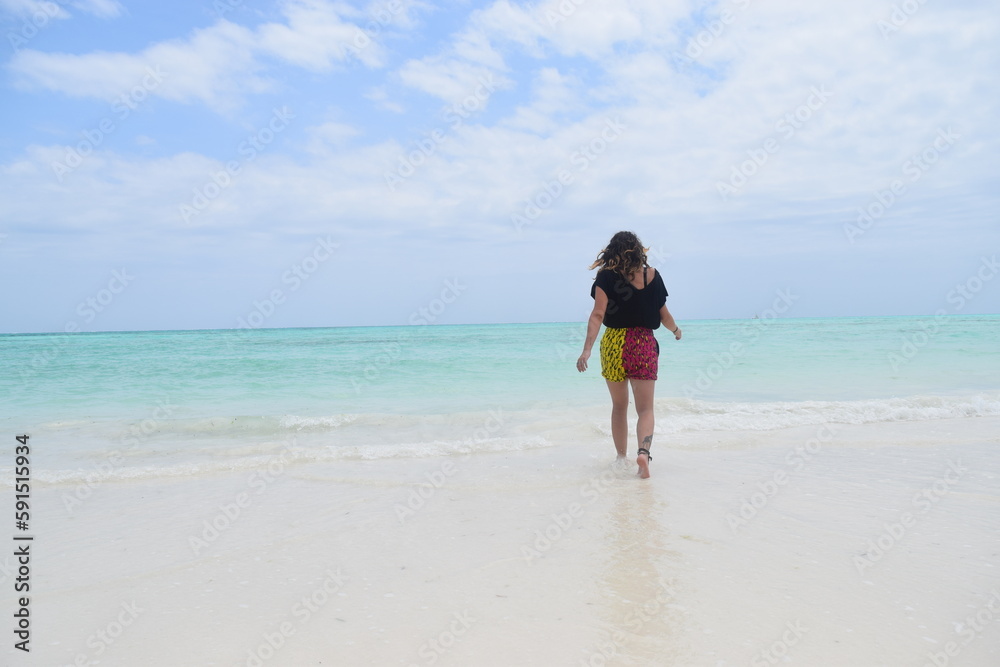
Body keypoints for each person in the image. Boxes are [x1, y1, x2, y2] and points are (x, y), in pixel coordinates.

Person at [576, 232, 682, 479]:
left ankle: (621, 458)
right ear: (638, 250)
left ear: (611, 251)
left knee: (619, 406)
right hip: (643, 344)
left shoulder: (605, 277)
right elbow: (664, 316)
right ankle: (643, 453)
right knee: (645, 409)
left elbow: (597, 315)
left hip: (614, 343)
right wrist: (676, 331)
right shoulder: (652, 276)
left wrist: (587, 349)